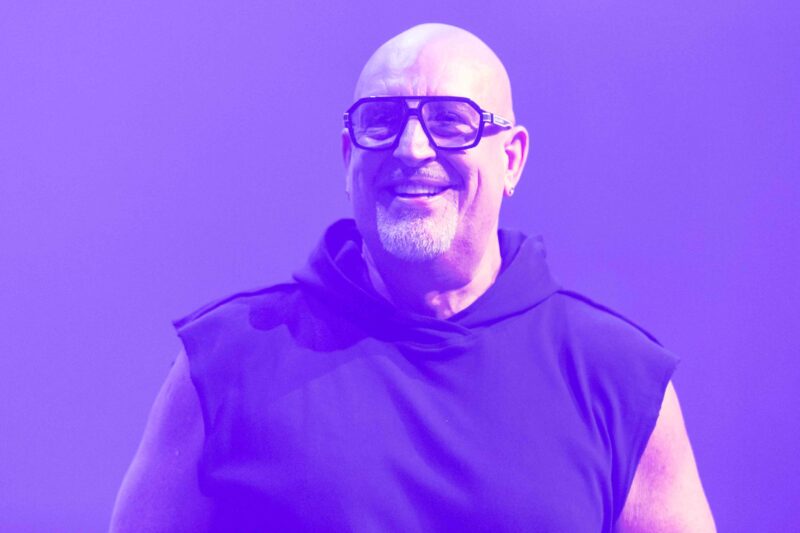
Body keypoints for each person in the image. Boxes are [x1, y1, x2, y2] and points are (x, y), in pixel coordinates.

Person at [110, 23, 715, 532]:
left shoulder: (616, 377)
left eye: (451, 121)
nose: (411, 148)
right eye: (382, 120)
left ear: (511, 159)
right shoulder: (226, 362)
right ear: (348, 157)